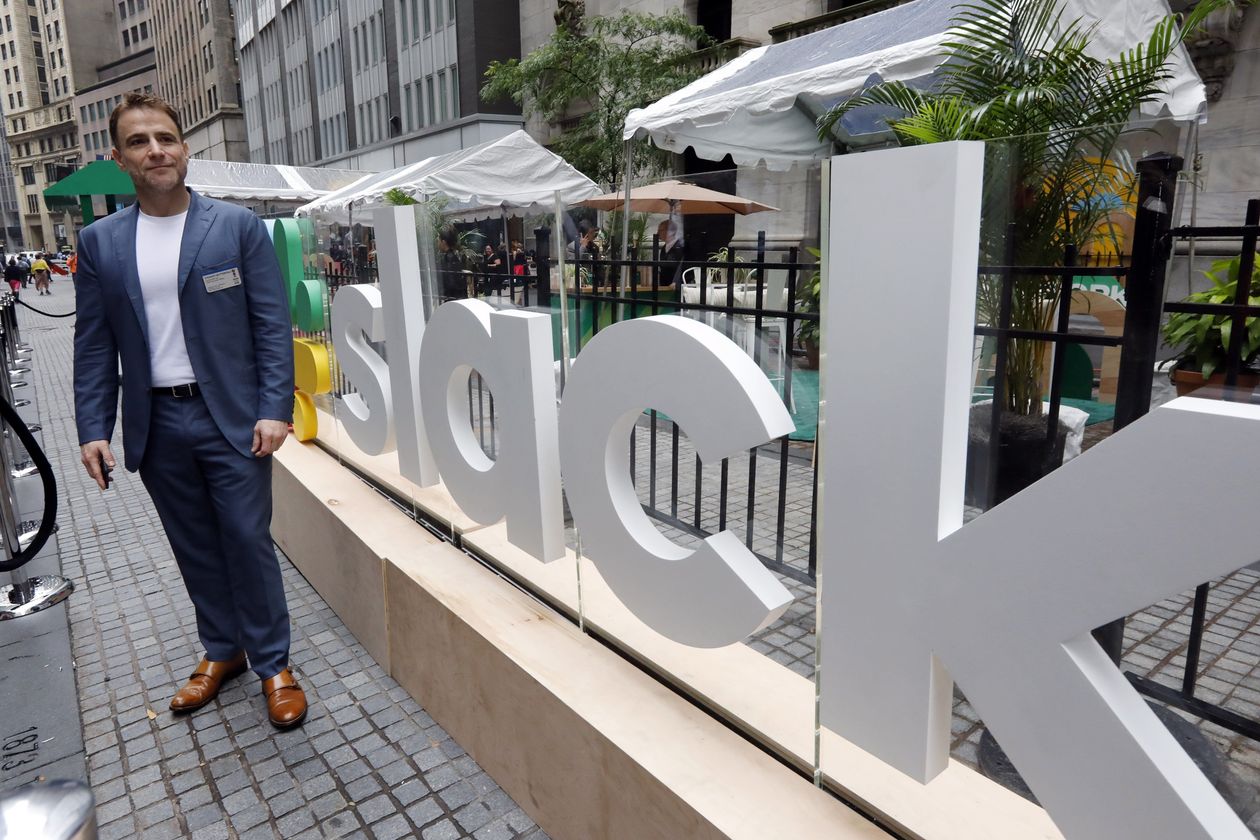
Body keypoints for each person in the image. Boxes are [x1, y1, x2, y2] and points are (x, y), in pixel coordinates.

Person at [73, 92, 305, 729]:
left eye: (166, 138)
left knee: (247, 539)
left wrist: (274, 408)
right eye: (140, 142)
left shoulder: (234, 226)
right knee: (194, 544)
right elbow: (93, 342)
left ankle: (274, 663)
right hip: (156, 421)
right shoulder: (100, 243)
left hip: (229, 417)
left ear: (184, 147)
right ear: (119, 157)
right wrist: (93, 426)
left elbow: (270, 325)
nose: (156, 151)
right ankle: (222, 650)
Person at [656, 219, 684, 286]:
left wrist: (676, 282)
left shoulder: (680, 248)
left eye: (661, 230)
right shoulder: (663, 248)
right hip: (664, 286)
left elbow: (681, 267)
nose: (658, 233)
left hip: (676, 286)